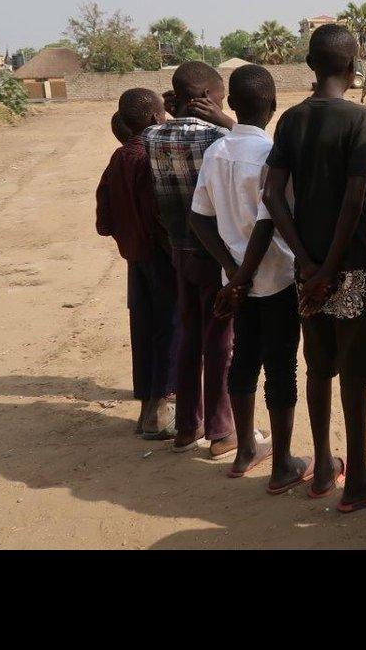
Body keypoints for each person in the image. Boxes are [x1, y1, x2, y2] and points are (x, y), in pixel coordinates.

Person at [263, 24, 366, 512]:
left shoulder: (290, 120)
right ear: (353, 67)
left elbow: (272, 195)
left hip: (308, 268)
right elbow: (355, 197)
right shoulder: (360, 118)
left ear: (311, 65)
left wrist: (306, 262)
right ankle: (359, 475)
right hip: (350, 266)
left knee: (319, 364)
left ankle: (324, 464)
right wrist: (328, 266)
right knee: (354, 369)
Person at [189, 65, 312, 491]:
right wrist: (241, 276)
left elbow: (198, 218)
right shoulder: (270, 154)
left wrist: (230, 270)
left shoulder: (216, 152)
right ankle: (283, 464)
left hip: (237, 285)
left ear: (231, 104)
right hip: (274, 278)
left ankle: (245, 448)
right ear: (273, 106)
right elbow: (266, 221)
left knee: (243, 360)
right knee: (280, 367)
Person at [142, 62, 238, 458]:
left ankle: (186, 426)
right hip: (216, 253)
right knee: (220, 342)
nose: (222, 105)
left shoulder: (151, 136)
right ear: (207, 99)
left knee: (189, 337)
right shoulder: (220, 137)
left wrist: (175, 111)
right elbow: (252, 145)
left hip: (179, 251)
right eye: (220, 98)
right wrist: (227, 121)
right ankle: (221, 432)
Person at [96, 88, 175, 439]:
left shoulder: (118, 157)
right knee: (168, 327)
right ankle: (159, 407)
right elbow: (158, 214)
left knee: (143, 327)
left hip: (135, 257)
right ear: (156, 118)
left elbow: (104, 220)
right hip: (159, 257)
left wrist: (126, 237)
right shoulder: (150, 158)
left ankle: (146, 407)